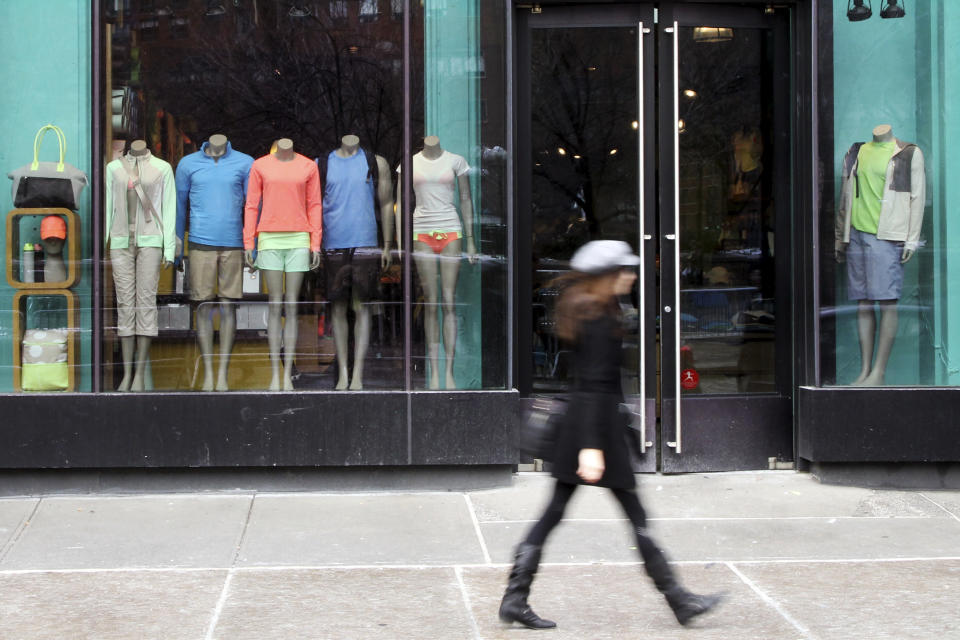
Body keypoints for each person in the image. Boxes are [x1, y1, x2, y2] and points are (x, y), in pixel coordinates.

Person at [499, 240, 722, 630]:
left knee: (554, 514)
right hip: (593, 435)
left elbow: (601, 386)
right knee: (633, 516)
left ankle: (515, 598)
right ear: (607, 275)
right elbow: (592, 386)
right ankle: (679, 600)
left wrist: (624, 430)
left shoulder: (594, 308)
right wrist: (591, 448)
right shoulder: (599, 318)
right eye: (625, 270)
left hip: (593, 430)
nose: (632, 275)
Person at [835, 124, 925, 386]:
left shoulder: (908, 153)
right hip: (857, 234)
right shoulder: (856, 152)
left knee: (887, 301)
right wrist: (840, 237)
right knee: (863, 302)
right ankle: (864, 371)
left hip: (887, 235)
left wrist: (912, 239)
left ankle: (879, 372)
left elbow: (917, 198)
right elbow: (845, 197)